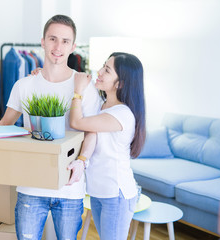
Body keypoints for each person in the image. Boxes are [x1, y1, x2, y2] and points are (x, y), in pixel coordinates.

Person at [0, 15, 101, 240]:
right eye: (53, 39)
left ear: (73, 47)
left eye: (65, 41)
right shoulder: (24, 85)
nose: (58, 46)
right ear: (42, 41)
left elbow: (92, 131)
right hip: (30, 187)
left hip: (70, 188)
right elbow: (4, 124)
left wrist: (82, 162)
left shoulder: (85, 85)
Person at [69, 52, 146, 240]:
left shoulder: (122, 114)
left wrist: (77, 91)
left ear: (121, 83)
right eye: (103, 66)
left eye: (107, 70)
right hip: (98, 190)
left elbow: (77, 122)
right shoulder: (103, 105)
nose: (100, 71)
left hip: (116, 193)